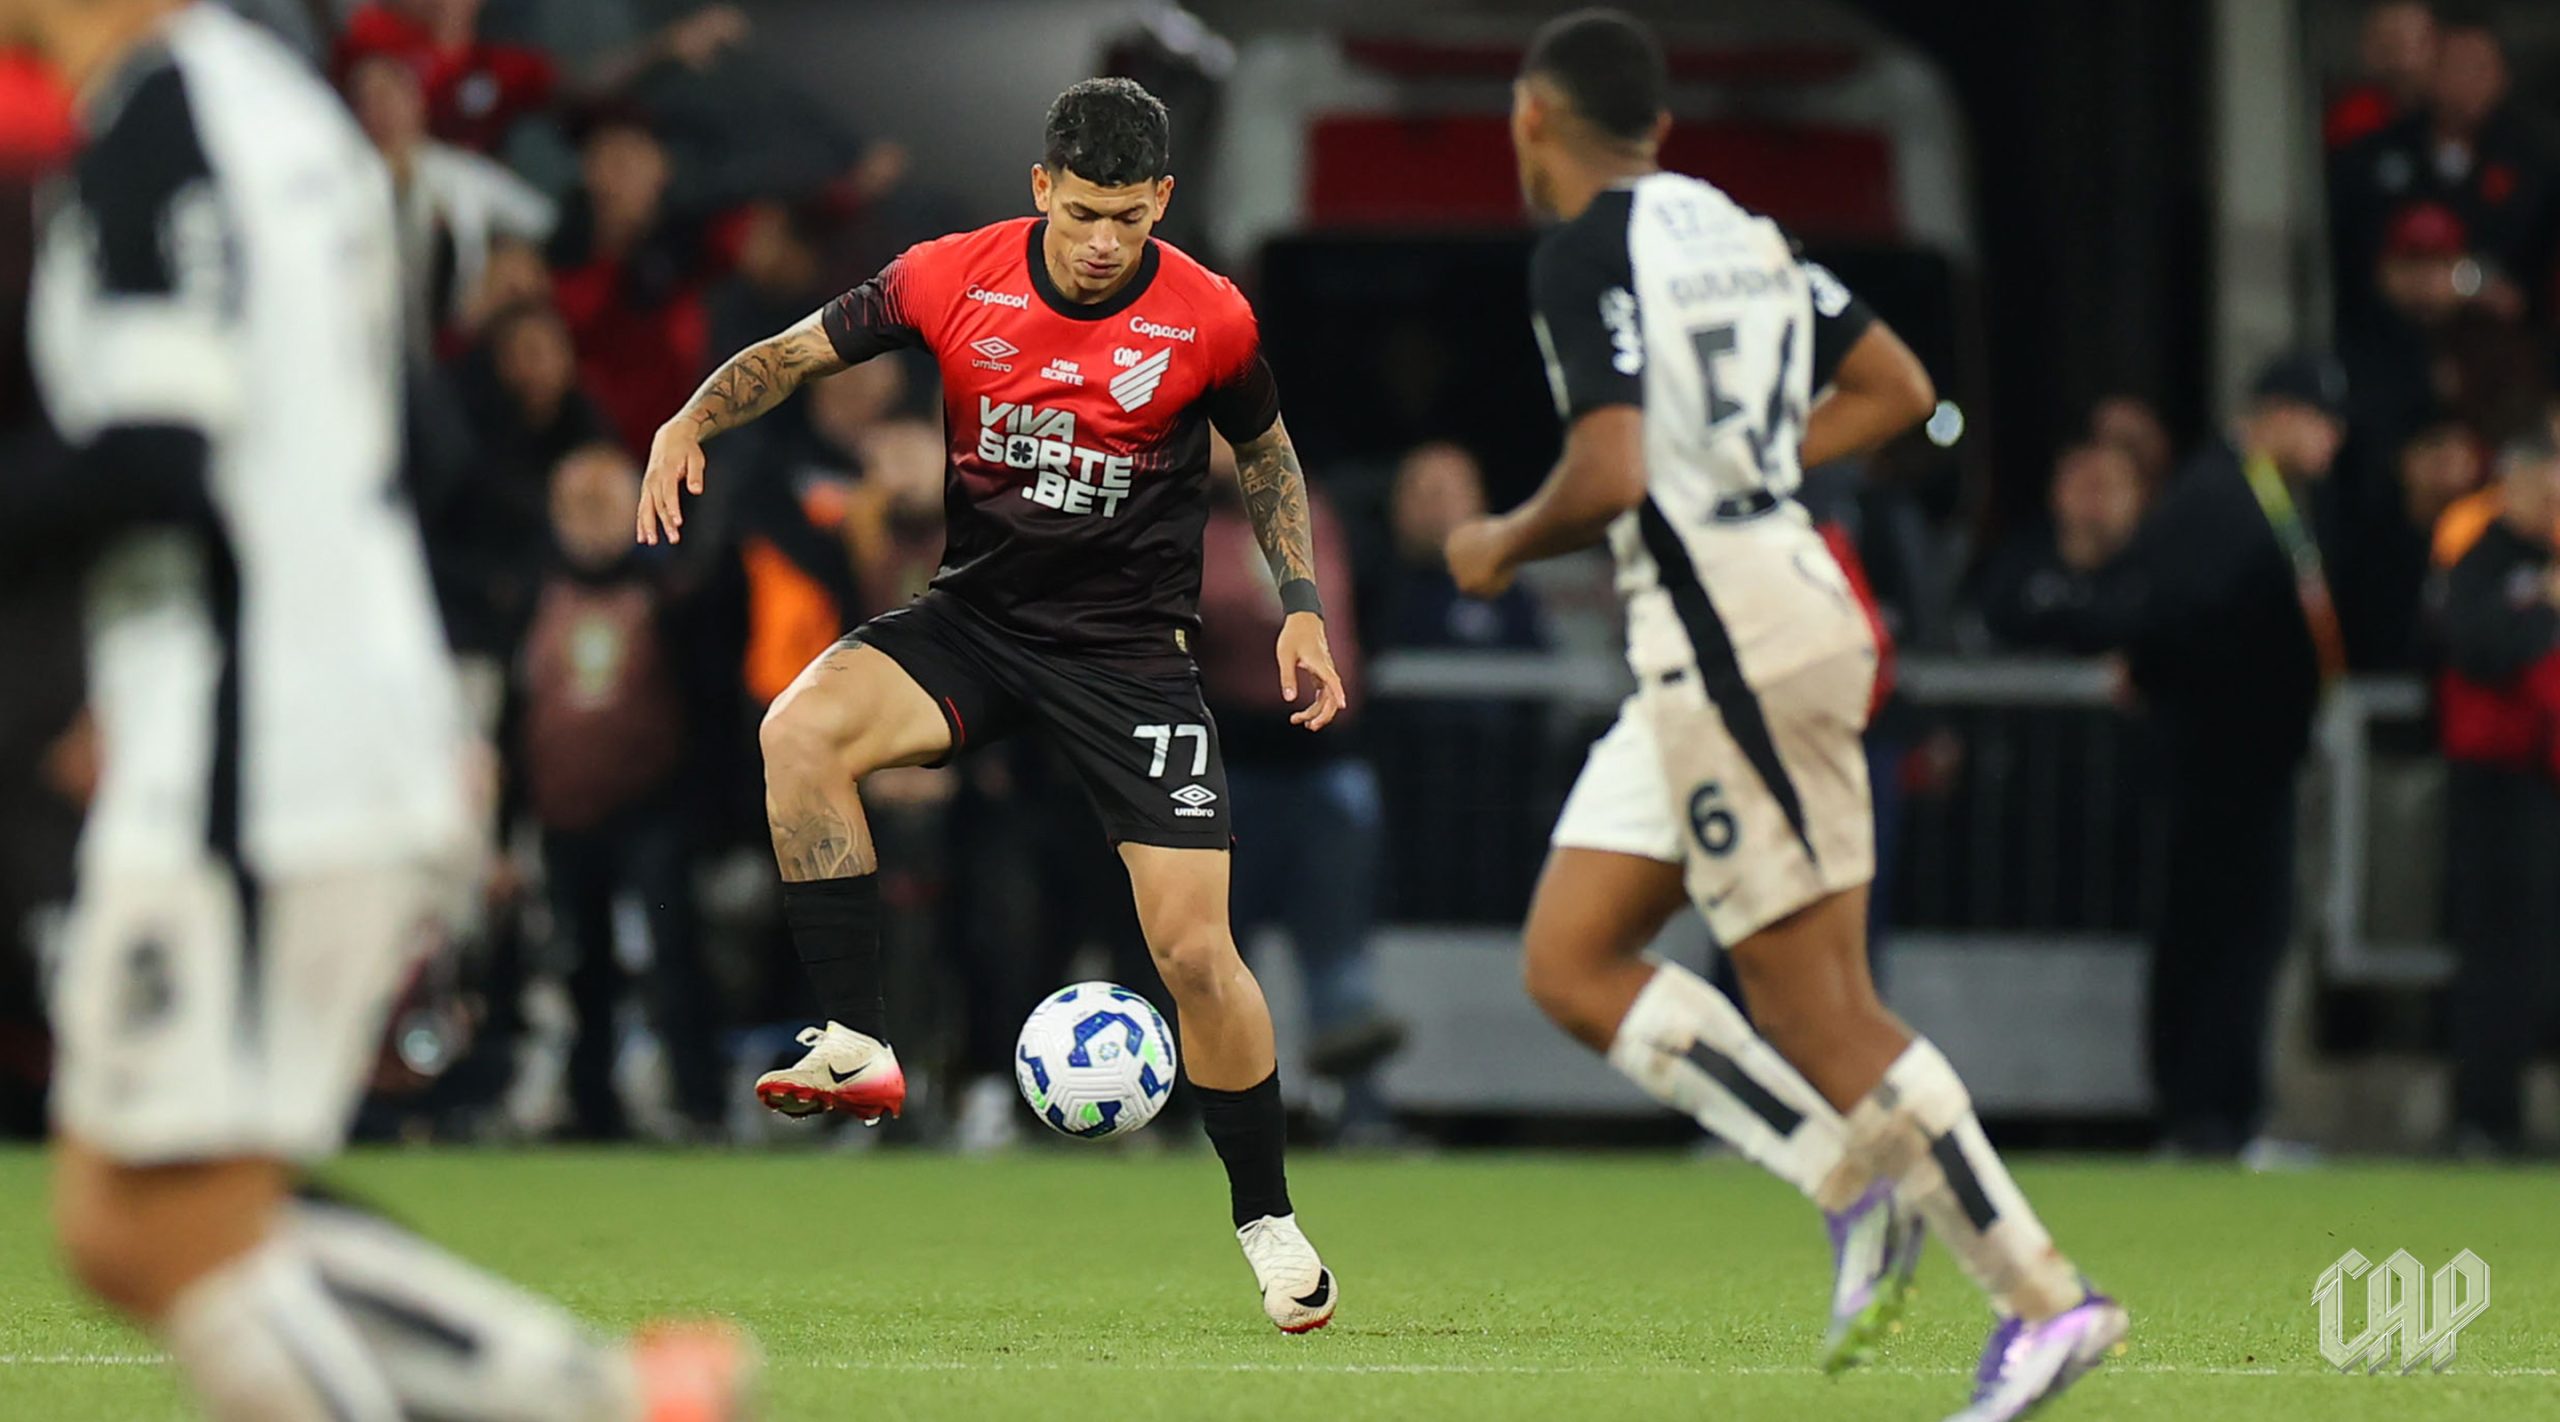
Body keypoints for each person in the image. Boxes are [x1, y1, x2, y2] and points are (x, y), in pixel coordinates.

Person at [1, 2, 750, 1417]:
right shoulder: (289, 117)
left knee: (180, 1227)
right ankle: (588, 1391)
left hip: (256, 748)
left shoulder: (161, 127)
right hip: (299, 709)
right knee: (130, 1216)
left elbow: (158, 446)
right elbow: (412, 439)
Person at [1441, 13, 2125, 1419]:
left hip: (1733, 639)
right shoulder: (1738, 230)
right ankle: (1847, 1179)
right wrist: (1751, 460)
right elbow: (1899, 389)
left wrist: (1502, 540)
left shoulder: (1581, 250)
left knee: (1821, 1008)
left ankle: (2048, 1300)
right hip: (1735, 627)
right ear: (1663, 131)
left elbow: (1611, 464)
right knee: (1572, 957)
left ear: (1530, 118)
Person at [636, 77, 1346, 1333]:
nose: (1100, 241)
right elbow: (795, 354)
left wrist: (1295, 597)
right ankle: (857, 1040)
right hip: (977, 620)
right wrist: (690, 413)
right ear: (1040, 189)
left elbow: (1270, 451)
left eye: (1127, 217)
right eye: (1081, 212)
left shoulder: (1209, 318)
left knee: (1194, 951)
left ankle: (1266, 1218)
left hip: (1130, 655)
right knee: (796, 730)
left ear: (1161, 204)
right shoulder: (946, 276)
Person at [2072, 353, 2351, 1160]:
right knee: (2220, 936)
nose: (2331, 443)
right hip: (2219, 760)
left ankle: (2223, 1114)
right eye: (2322, 423)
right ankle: (2207, 1116)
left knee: (2239, 934)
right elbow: (2171, 618)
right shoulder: (2217, 495)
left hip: (2249, 757)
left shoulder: (2261, 497)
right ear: (2281, 414)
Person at [519, 445, 724, 1140]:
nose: (590, 521)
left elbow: (706, 707)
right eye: (577, 506)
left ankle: (700, 1101)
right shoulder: (530, 593)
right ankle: (591, 1105)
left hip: (653, 811)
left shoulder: (675, 595)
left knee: (673, 956)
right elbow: (515, 714)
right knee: (580, 967)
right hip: (564, 814)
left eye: (604, 503)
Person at [2434, 432, 2560, 1158]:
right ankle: (2484, 1115)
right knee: (2494, 950)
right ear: (2510, 489)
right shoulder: (2478, 558)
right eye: (2541, 490)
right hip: (2493, 783)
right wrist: (2543, 612)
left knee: (2533, 952)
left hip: (2543, 781)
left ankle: (2510, 1113)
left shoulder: (2544, 562)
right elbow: (2478, 648)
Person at [1976, 441, 2148, 650]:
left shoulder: (2156, 575)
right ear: (2056, 491)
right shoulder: (2017, 568)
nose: (2094, 499)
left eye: (2107, 485)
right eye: (2082, 484)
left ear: (2140, 496)